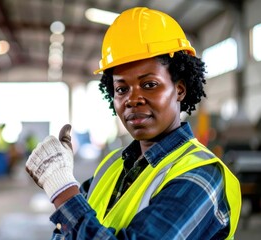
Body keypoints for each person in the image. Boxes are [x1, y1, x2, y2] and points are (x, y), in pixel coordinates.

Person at [25, 6, 241, 240]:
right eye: (121, 89)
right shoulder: (111, 166)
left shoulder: (202, 176)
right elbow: (69, 232)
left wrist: (63, 190)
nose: (132, 99)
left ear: (179, 89)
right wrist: (67, 183)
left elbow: (73, 217)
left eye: (149, 84)